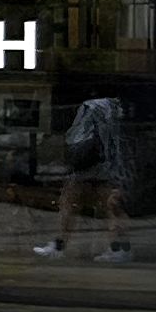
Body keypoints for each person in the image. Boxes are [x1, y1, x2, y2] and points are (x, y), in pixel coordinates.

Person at [37, 88, 133, 260]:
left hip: (88, 167)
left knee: (68, 204)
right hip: (108, 168)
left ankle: (59, 246)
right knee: (112, 208)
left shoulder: (90, 107)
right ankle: (119, 248)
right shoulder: (116, 110)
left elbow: (77, 136)